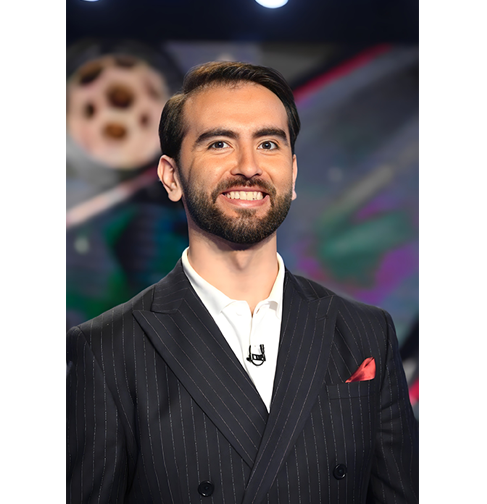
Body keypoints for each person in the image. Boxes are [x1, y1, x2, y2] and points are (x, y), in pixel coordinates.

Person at [67, 61, 419, 504]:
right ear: (171, 177)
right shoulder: (106, 350)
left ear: (293, 173)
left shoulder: (366, 333)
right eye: (219, 144)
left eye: (268, 144)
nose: (249, 166)